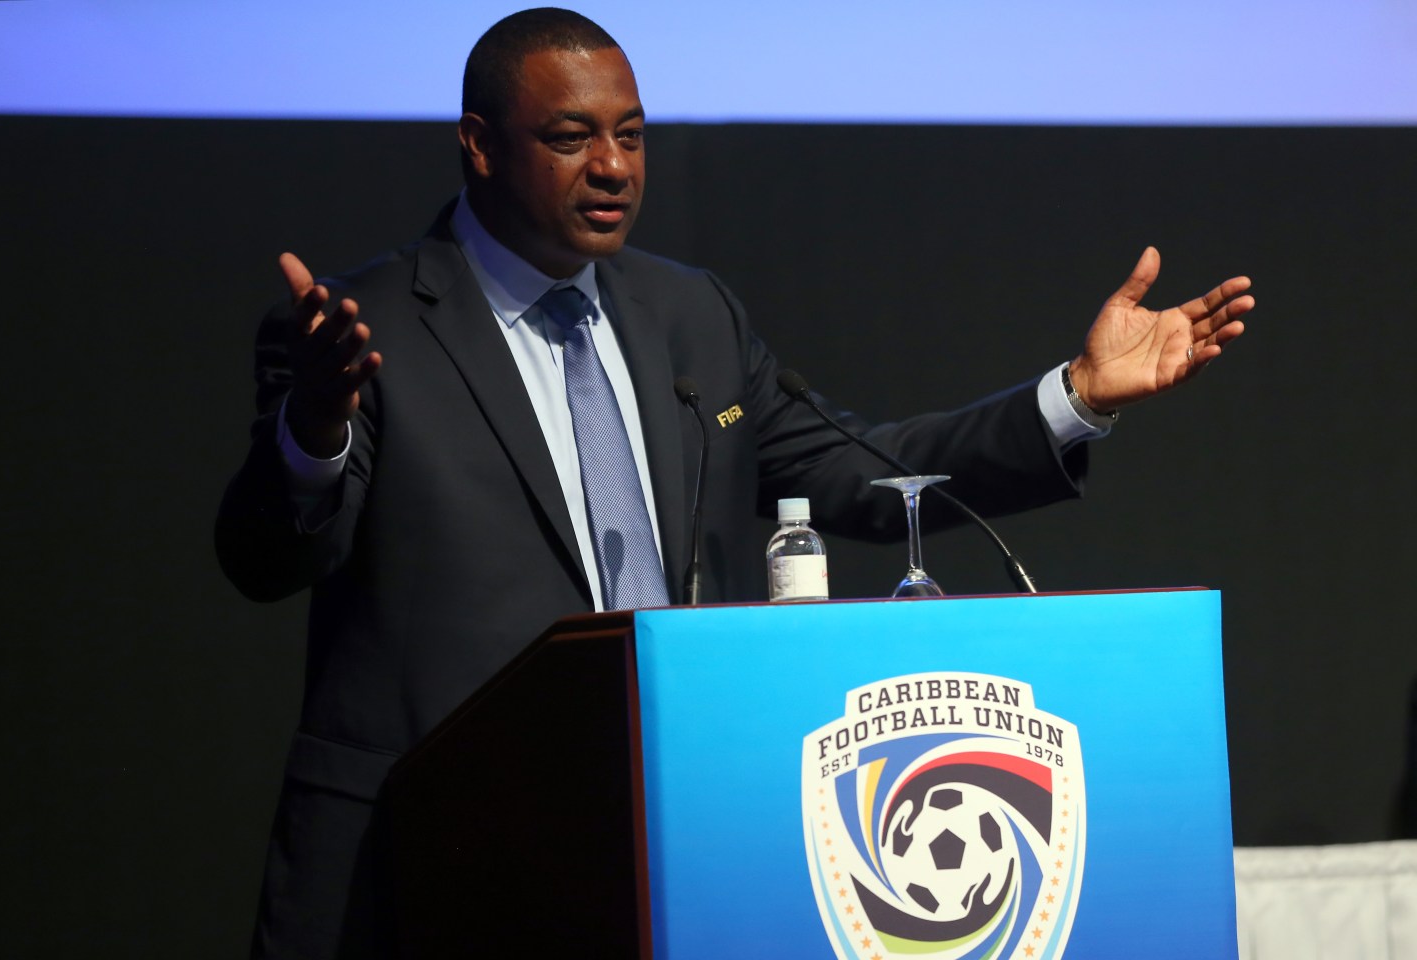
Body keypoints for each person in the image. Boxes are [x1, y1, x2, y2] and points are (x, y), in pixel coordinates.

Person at [215, 8, 1254, 958]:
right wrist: (317, 424)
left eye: (631, 135)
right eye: (572, 138)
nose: (613, 166)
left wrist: (1075, 397)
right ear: (480, 146)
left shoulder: (689, 316)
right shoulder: (368, 329)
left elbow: (858, 469)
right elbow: (265, 558)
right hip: (434, 857)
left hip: (666, 837)